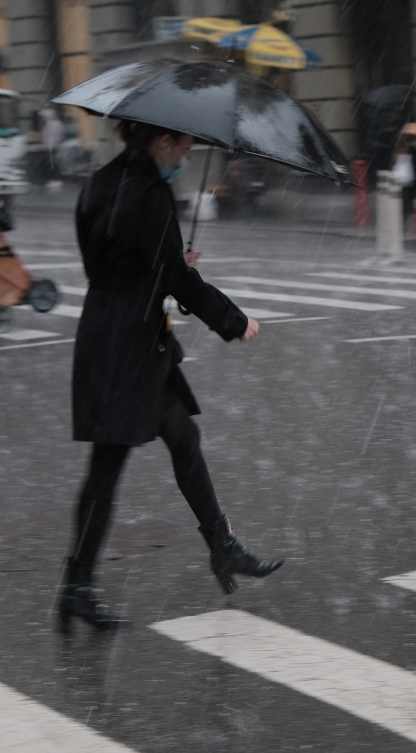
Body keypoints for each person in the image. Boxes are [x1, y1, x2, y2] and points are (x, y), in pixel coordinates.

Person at [59, 120, 283, 632]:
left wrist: (160, 265)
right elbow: (175, 279)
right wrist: (233, 319)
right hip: (129, 347)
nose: (186, 153)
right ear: (160, 141)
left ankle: (221, 545)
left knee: (181, 434)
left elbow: (106, 263)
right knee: (107, 468)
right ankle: (76, 586)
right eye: (183, 143)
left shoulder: (99, 184)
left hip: (114, 337)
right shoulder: (152, 195)